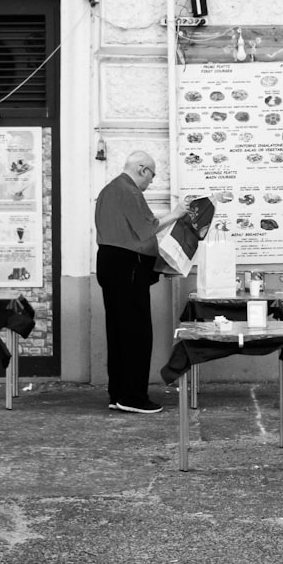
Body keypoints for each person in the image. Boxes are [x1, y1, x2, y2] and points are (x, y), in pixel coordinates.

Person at [95, 151, 188, 413]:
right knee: (137, 333)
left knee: (118, 332)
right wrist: (177, 214)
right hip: (127, 267)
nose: (152, 181)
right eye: (152, 175)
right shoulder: (128, 190)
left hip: (111, 263)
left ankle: (118, 394)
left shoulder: (108, 190)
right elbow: (148, 227)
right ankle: (133, 397)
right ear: (142, 169)